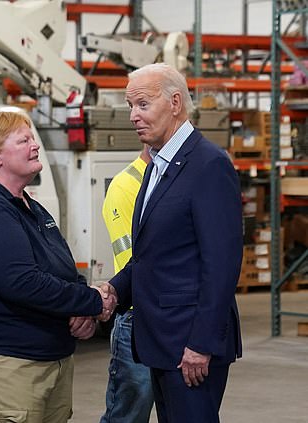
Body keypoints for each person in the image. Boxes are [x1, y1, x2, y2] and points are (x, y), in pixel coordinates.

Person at [0, 111, 115, 423]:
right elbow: (22, 282)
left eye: (32, 139)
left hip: (47, 357)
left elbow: (60, 271)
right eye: (23, 140)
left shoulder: (30, 208)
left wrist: (83, 310)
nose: (35, 146)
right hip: (4, 362)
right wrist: (92, 301)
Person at [104, 63, 243, 423]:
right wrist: (113, 291)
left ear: (176, 102)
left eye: (143, 104)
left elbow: (222, 265)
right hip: (162, 342)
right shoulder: (156, 165)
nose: (133, 116)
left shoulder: (208, 165)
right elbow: (151, 256)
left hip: (190, 348)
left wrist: (202, 344)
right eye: (129, 106)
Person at [100, 146, 153, 423]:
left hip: (167, 314)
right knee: (129, 414)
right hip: (137, 315)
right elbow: (133, 259)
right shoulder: (126, 185)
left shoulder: (172, 178)